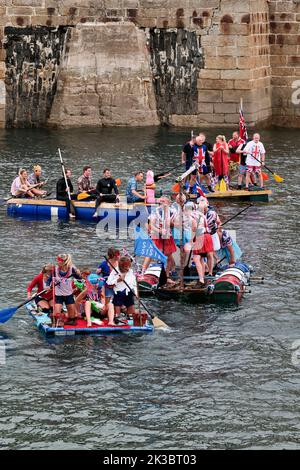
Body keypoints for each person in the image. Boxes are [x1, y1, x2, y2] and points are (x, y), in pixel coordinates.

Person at [47, 254, 82, 327]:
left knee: (72, 318)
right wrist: (48, 286)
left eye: (58, 261)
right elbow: (49, 279)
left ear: (63, 262)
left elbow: (80, 280)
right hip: (58, 294)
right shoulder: (55, 269)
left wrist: (79, 274)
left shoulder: (72, 269)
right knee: (57, 313)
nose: (57, 262)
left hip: (68, 294)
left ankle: (68, 319)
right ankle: (57, 320)